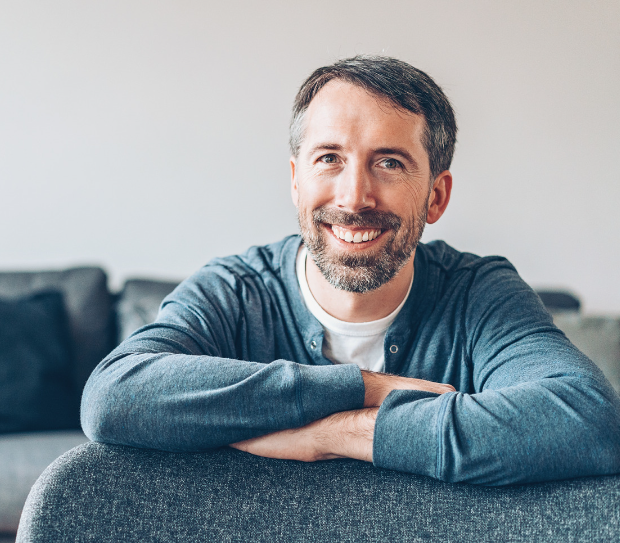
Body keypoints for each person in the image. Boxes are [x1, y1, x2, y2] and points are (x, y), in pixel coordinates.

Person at [81, 55, 620, 485]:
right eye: (329, 158)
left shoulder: (478, 294)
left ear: (436, 195)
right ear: (296, 180)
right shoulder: (238, 290)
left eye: (389, 163)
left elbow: (589, 422)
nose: (354, 196)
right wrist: (366, 388)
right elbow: (114, 397)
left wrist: (332, 434)